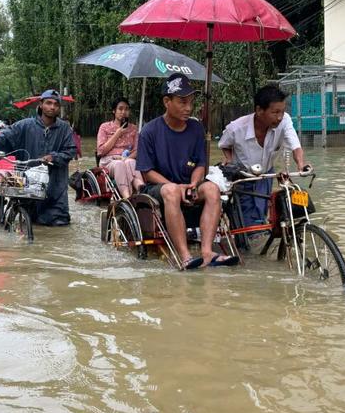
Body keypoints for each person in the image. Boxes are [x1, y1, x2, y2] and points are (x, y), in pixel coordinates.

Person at [136, 73, 239, 269]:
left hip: (189, 185)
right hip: (159, 188)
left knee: (212, 189)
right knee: (172, 191)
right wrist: (175, 186)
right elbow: (146, 172)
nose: (189, 108)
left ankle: (207, 252)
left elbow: (200, 164)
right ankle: (185, 256)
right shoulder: (149, 132)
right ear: (167, 101)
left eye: (191, 102)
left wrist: (193, 183)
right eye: (182, 102)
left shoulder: (196, 129)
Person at [218, 84, 311, 227]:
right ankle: (246, 244)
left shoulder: (285, 120)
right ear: (259, 110)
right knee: (247, 220)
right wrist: (230, 161)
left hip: (266, 174)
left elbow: (295, 146)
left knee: (266, 213)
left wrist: (301, 165)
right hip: (244, 177)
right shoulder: (236, 128)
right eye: (275, 112)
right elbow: (224, 144)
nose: (279, 117)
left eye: (282, 111)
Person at [0, 90, 77, 226]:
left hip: (56, 189)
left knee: (59, 226)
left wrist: (53, 157)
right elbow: (5, 136)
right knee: (25, 220)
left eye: (56, 104)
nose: (52, 107)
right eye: (48, 103)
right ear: (41, 104)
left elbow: (71, 150)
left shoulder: (65, 129)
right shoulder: (24, 125)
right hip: (27, 186)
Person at [96, 97, 144, 199]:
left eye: (126, 109)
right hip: (109, 160)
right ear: (114, 111)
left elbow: (137, 150)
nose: (124, 112)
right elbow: (101, 151)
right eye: (120, 109)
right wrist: (117, 133)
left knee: (130, 162)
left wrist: (126, 158)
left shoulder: (133, 128)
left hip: (127, 159)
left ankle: (141, 189)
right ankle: (127, 197)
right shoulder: (104, 127)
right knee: (119, 164)